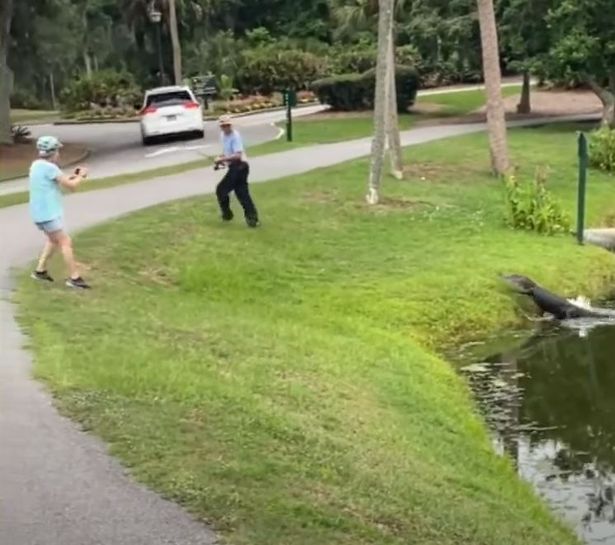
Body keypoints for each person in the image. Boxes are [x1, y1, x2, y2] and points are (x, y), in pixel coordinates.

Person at [29, 135, 91, 289]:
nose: (59, 153)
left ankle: (40, 271)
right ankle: (74, 278)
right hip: (48, 213)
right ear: (53, 152)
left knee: (53, 240)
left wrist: (73, 175)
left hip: (39, 213)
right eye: (57, 150)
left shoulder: (36, 165)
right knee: (65, 242)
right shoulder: (51, 168)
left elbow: (59, 179)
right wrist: (81, 176)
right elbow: (72, 186)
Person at [214, 115, 259, 228]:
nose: (226, 127)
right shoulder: (223, 136)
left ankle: (227, 215)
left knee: (221, 189)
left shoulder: (235, 136)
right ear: (221, 126)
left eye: (228, 125)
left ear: (231, 125)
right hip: (234, 166)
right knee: (242, 193)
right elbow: (228, 154)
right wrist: (220, 161)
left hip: (240, 166)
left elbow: (238, 155)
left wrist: (223, 159)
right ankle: (252, 219)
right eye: (223, 125)